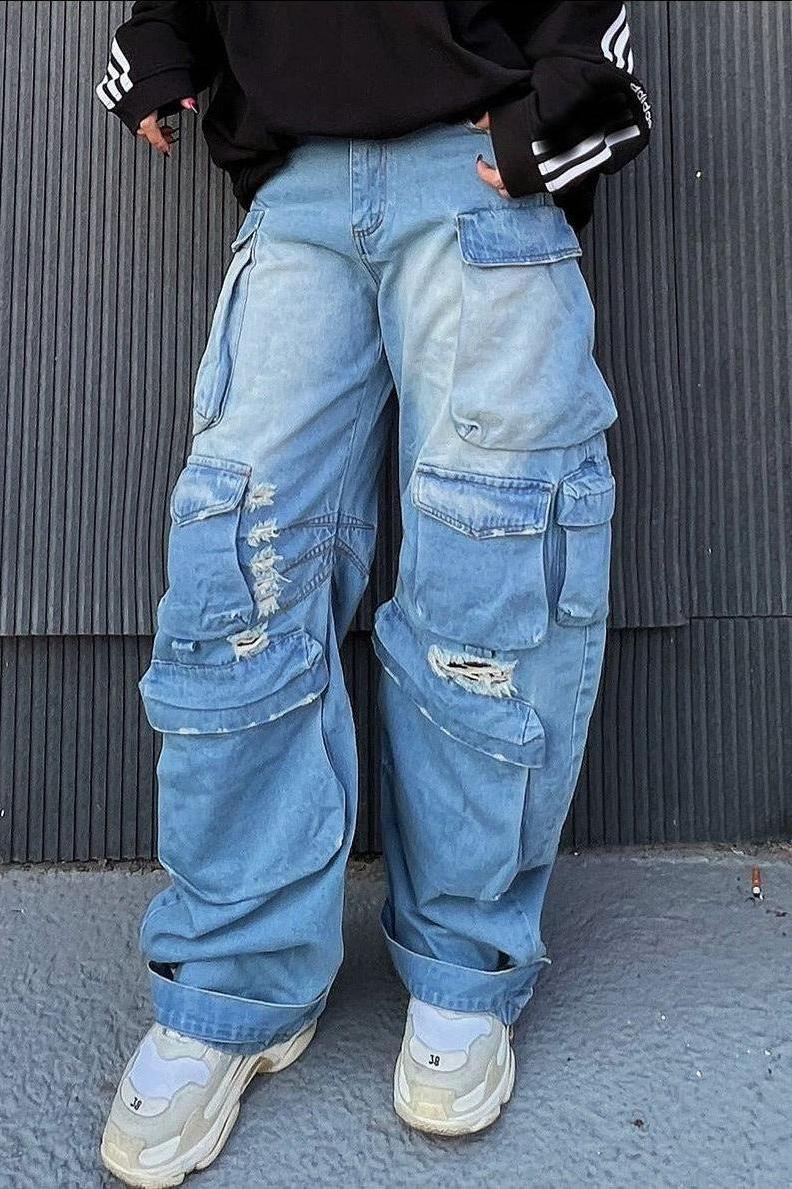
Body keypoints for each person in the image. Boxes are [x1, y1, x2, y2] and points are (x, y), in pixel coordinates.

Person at [96, 2, 650, 1184]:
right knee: (237, 564)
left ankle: (464, 963)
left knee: (490, 569)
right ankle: (233, 981)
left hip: (477, 171)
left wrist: (562, 103)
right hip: (295, 186)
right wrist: (163, 36)